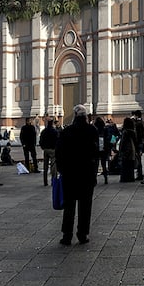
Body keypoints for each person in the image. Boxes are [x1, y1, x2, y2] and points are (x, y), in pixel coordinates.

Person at [55, 104, 98, 246]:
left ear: (74, 115)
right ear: (85, 116)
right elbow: (96, 153)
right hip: (87, 174)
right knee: (85, 206)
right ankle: (82, 234)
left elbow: (59, 153)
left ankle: (67, 235)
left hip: (70, 174)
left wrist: (62, 170)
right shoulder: (92, 130)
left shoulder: (67, 131)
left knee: (69, 206)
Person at [39, 119, 59, 187]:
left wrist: (43, 147)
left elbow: (41, 140)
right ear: (52, 124)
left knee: (45, 166)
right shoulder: (55, 131)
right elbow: (57, 140)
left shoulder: (44, 131)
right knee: (54, 166)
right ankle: (53, 181)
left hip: (46, 149)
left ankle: (45, 182)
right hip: (53, 150)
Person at [118, 117, 138, 183]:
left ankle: (124, 178)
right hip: (132, 149)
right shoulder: (133, 132)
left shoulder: (125, 131)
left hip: (126, 149)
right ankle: (131, 178)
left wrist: (120, 150)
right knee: (131, 164)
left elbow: (122, 142)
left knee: (125, 164)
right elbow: (136, 141)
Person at [94, 116, 110, 183]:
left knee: (96, 165)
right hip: (104, 148)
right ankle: (105, 178)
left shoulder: (95, 130)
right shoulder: (105, 129)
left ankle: (95, 179)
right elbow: (109, 138)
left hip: (96, 149)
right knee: (103, 164)